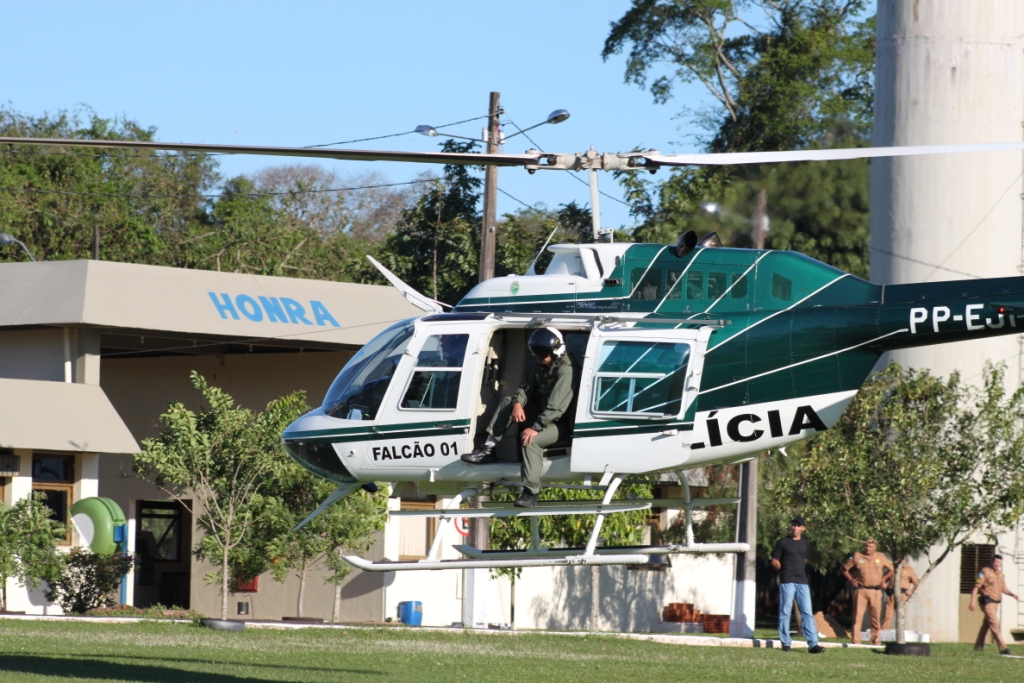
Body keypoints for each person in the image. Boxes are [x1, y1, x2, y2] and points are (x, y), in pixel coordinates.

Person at [461, 327, 574, 508]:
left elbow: (556, 408)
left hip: (559, 424)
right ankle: (487, 450)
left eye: (544, 355)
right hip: (543, 416)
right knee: (508, 401)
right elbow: (526, 388)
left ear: (556, 351)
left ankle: (530, 493)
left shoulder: (566, 371)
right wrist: (517, 403)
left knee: (531, 440)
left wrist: (535, 427)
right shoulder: (541, 366)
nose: (540, 358)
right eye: (537, 354)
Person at [771, 515, 825, 654]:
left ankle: (813, 644)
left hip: (802, 581)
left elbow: (804, 559)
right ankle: (785, 642)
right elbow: (775, 561)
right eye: (793, 525)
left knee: (807, 612)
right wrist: (784, 571)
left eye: (798, 525)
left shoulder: (805, 543)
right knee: (785, 611)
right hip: (787, 580)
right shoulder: (783, 542)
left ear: (803, 528)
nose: (795, 528)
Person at [842, 538, 894, 645]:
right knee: (857, 617)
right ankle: (856, 640)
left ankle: (875, 641)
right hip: (861, 590)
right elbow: (844, 569)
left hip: (875, 591)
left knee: (875, 617)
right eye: (866, 546)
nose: (867, 548)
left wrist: (884, 579)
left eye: (870, 546)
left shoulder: (881, 557)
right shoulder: (857, 556)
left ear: (875, 547)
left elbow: (892, 569)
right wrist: (851, 579)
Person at [969, 554, 1019, 655]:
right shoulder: (985, 572)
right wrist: (972, 601)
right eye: (996, 562)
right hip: (987, 602)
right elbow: (976, 587)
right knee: (995, 624)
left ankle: (978, 647)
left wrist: (1012, 594)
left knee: (986, 625)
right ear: (992, 562)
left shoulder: (1000, 574)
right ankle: (1003, 648)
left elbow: (1004, 589)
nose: (997, 564)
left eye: (999, 562)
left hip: (996, 604)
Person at [882, 558, 920, 630]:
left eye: (902, 558)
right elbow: (883, 579)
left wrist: (911, 591)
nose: (899, 560)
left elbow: (917, 583)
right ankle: (884, 633)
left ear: (905, 560)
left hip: (902, 596)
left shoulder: (910, 570)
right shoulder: (892, 568)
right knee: (887, 616)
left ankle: (900, 633)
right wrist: (884, 585)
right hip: (890, 595)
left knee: (900, 617)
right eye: (898, 558)